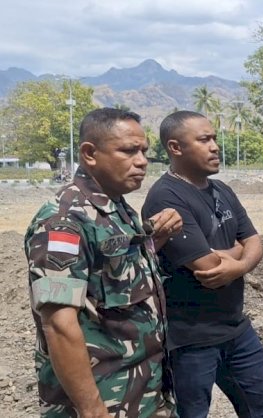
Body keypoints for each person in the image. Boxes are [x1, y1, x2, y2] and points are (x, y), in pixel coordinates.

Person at [24, 108, 183, 417]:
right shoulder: (63, 222)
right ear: (89, 154)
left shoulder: (116, 210)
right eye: (128, 150)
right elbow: (58, 323)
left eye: (144, 151)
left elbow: (117, 274)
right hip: (104, 399)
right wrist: (92, 410)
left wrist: (155, 236)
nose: (142, 161)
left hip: (142, 390)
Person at [141, 111, 263, 418]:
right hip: (190, 337)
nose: (215, 146)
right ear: (175, 147)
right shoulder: (166, 197)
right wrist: (237, 252)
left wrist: (237, 265)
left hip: (236, 329)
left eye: (214, 138)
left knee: (260, 406)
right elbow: (209, 266)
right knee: (193, 413)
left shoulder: (221, 190)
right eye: (204, 140)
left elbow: (256, 242)